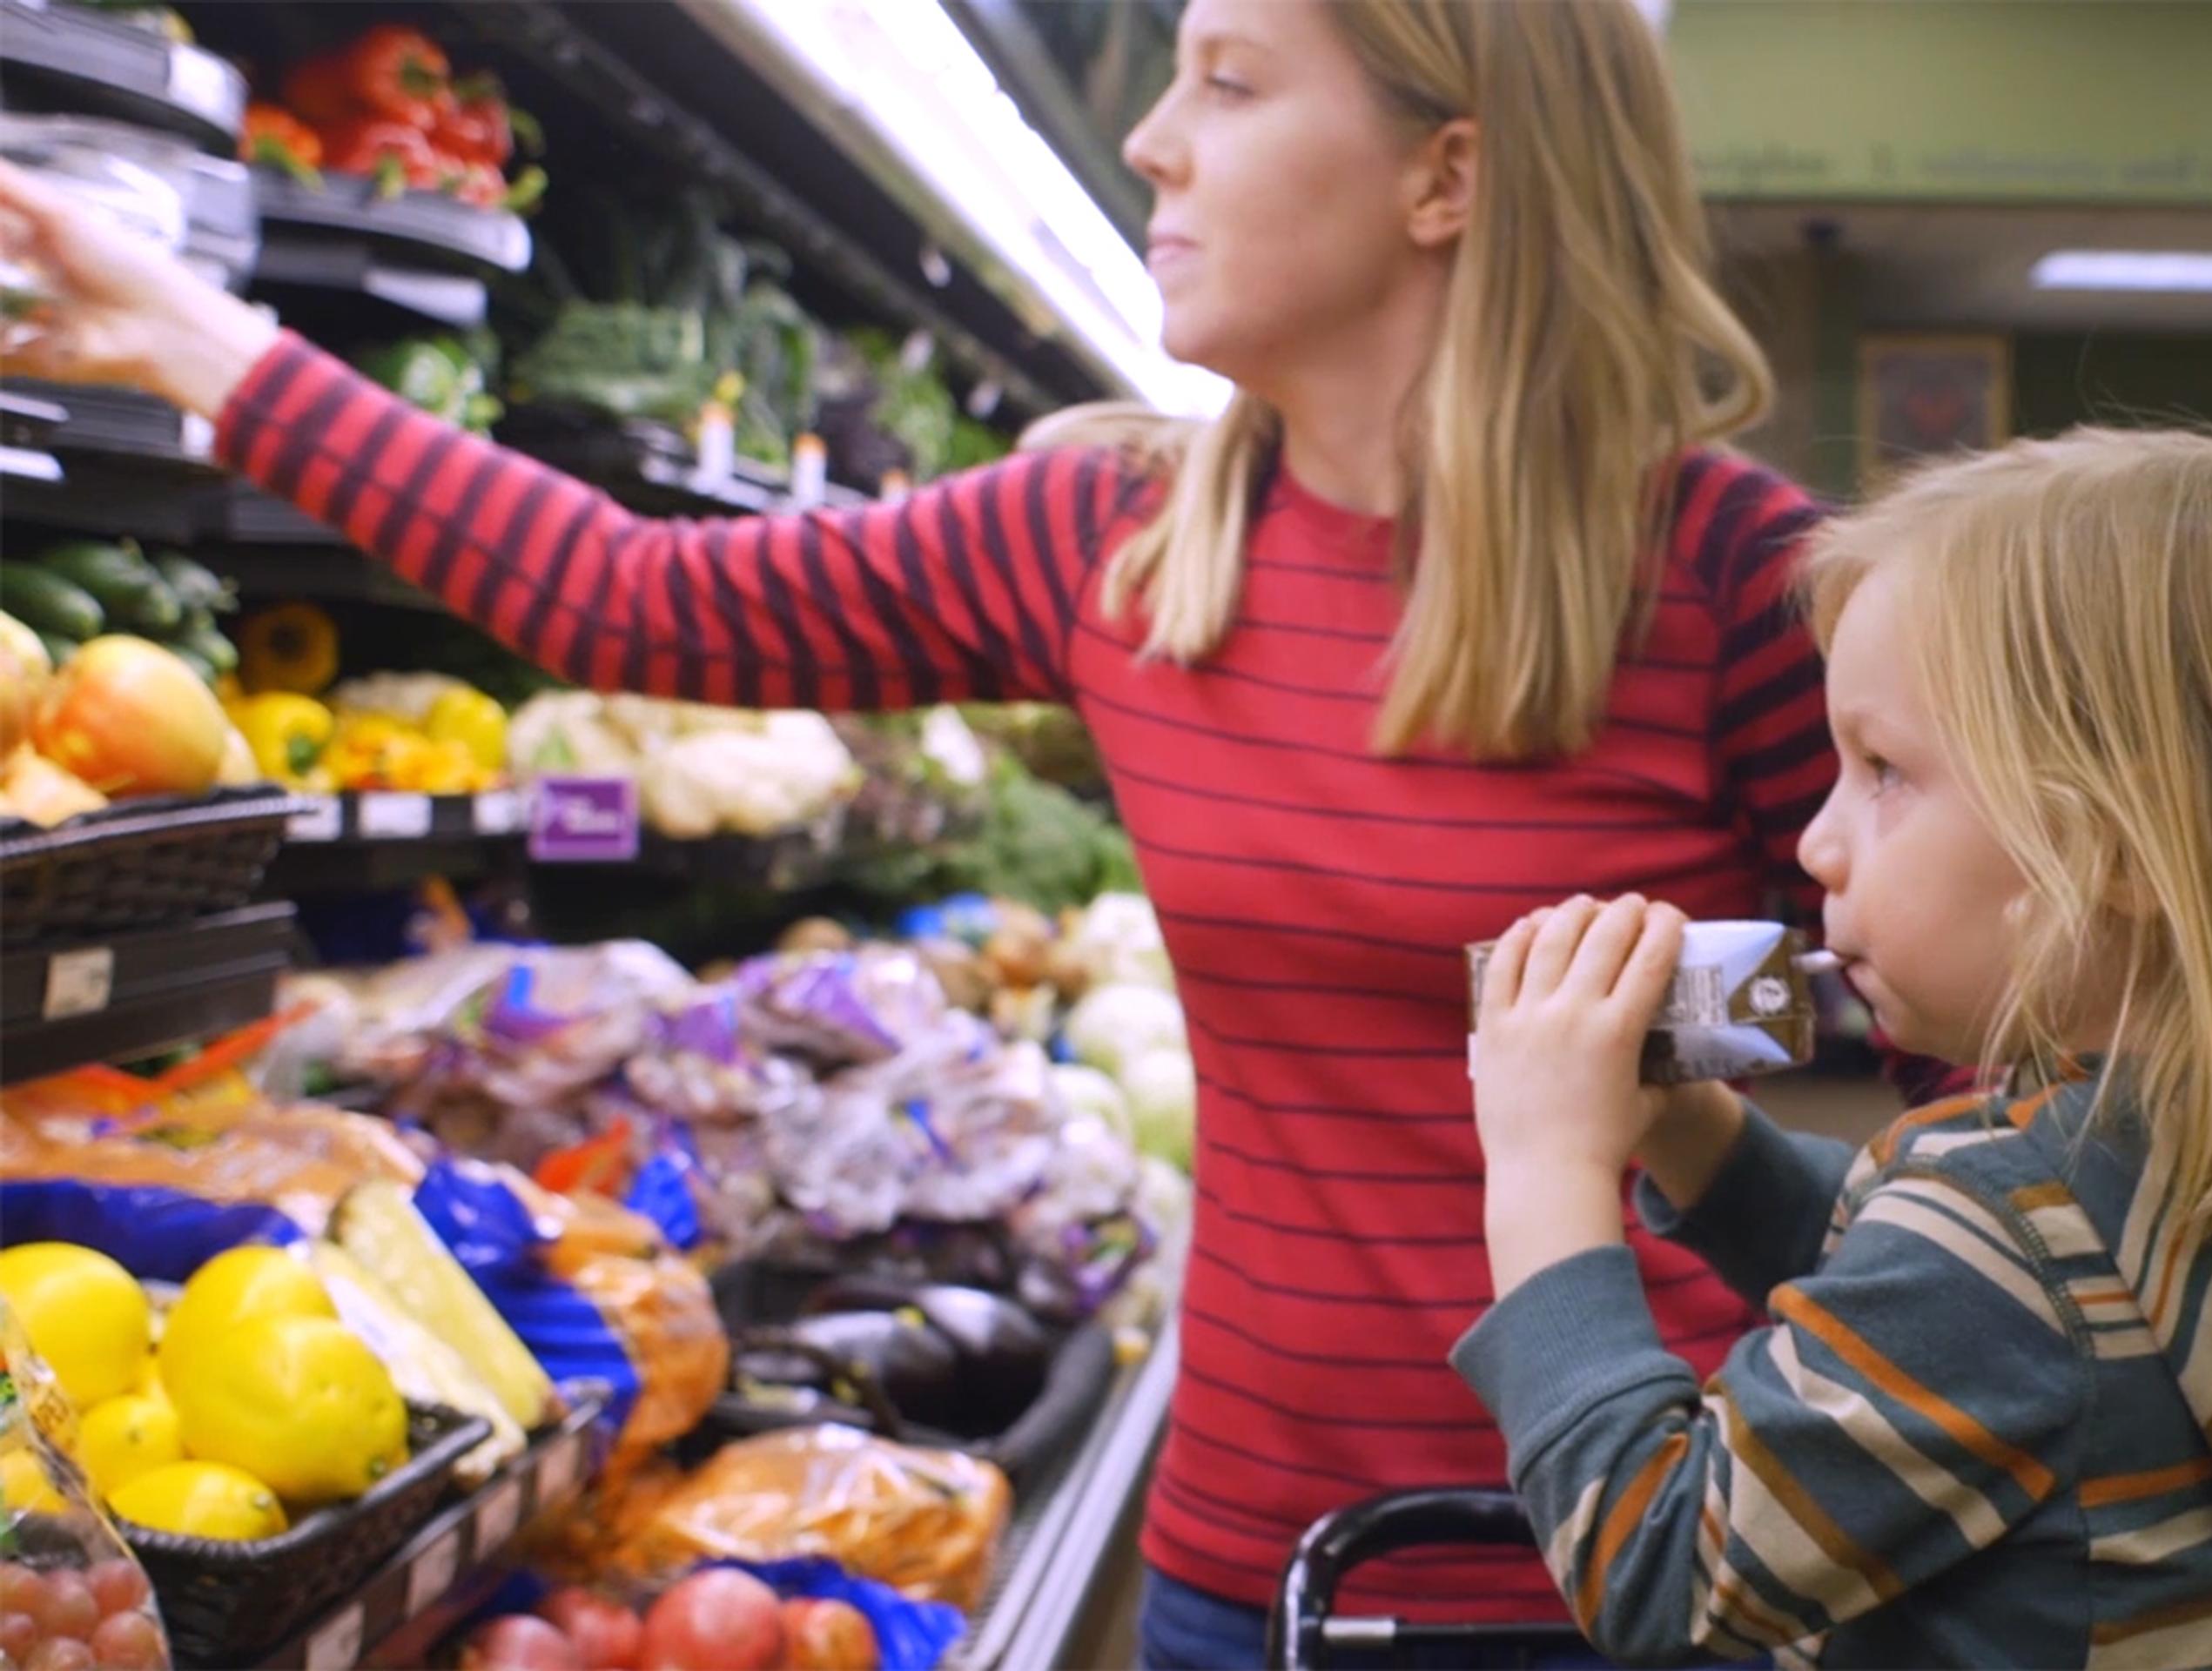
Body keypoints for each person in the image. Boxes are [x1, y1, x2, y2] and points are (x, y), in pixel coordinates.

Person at [0, 1, 1887, 1658]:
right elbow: (632, 599)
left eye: (1226, 81)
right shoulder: (1122, 549)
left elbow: (1991, 1074)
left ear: (1448, 176)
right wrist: (203, 344)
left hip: (1660, 1573)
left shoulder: (1728, 582)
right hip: (1253, 1570)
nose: (1151, 139)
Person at [1463, 417, 2212, 1668]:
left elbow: (1656, 1565)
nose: (1817, 843)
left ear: (2111, 842)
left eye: (1883, 771)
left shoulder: (2009, 1231)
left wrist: (1543, 1171)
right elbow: (1949, 1324)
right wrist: (1699, 1138)